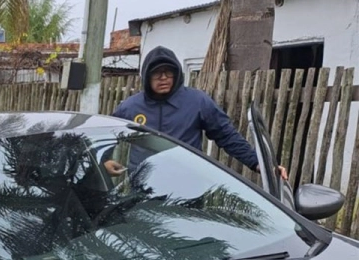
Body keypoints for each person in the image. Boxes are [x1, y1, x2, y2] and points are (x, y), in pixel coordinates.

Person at [106, 46, 287, 181]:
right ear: (146, 76)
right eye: (157, 73)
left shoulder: (197, 102)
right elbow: (107, 134)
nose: (163, 78)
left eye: (168, 73)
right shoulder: (131, 107)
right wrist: (103, 160)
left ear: (177, 74)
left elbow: (226, 135)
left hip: (188, 185)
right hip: (143, 185)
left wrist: (259, 164)